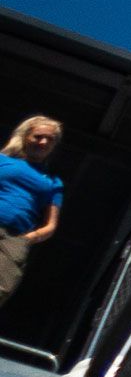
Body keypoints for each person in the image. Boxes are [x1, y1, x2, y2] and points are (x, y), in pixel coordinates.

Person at [0, 116, 64, 311]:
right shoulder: (3, 161)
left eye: (50, 139)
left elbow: (51, 224)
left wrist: (27, 239)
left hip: (14, 238)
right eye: (38, 136)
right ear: (25, 136)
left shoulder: (53, 182)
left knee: (3, 287)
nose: (43, 142)